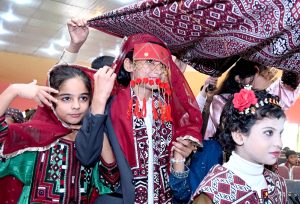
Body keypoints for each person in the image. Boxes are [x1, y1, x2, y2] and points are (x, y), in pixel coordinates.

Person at [75, 33, 203, 204]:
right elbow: (86, 156)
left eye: (162, 64)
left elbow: (172, 168)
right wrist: (98, 102)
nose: (157, 69)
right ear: (128, 65)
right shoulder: (110, 106)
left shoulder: (169, 111)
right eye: (150, 61)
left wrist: (181, 156)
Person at [0, 64, 117, 203]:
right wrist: (13, 91)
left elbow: (111, 180)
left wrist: (97, 121)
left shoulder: (88, 138)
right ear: (51, 100)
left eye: (83, 98)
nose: (76, 106)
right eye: (66, 98)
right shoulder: (33, 135)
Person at [192, 88, 287, 203]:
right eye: (269, 132)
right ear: (239, 136)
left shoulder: (277, 184)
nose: (279, 143)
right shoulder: (213, 193)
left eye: (280, 133)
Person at [204, 58, 274, 140]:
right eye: (262, 74)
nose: (268, 77)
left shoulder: (265, 101)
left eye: (267, 74)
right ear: (238, 79)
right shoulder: (221, 101)